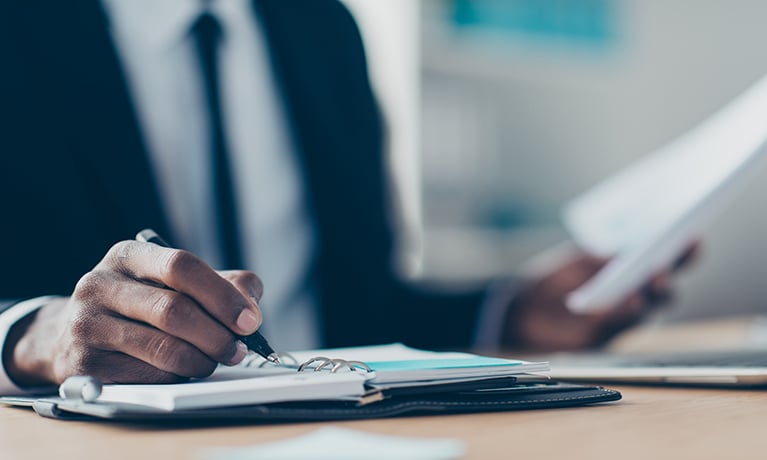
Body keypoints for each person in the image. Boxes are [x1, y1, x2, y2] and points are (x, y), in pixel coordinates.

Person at [0, 0, 693, 393]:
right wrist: (34, 336)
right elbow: (47, 332)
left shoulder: (321, 28)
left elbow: (352, 306)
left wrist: (507, 309)